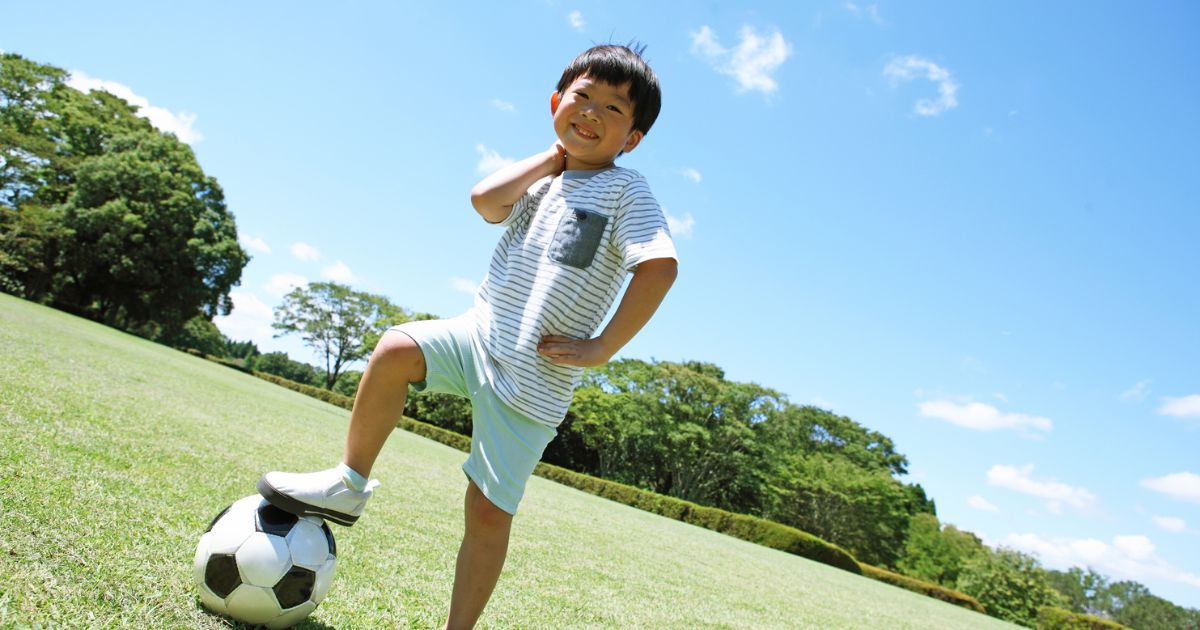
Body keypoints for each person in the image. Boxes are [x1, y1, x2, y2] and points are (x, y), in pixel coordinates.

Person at [257, 44, 678, 629]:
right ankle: (349, 482)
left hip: (534, 378)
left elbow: (659, 266)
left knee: (485, 513)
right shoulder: (542, 180)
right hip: (479, 334)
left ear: (632, 138)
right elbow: (483, 200)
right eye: (581, 97)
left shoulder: (626, 191)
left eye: (614, 109)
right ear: (557, 103)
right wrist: (549, 160)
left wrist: (602, 347)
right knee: (395, 348)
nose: (592, 113)